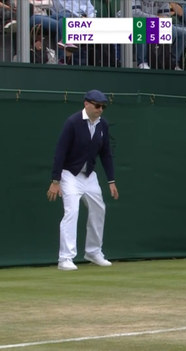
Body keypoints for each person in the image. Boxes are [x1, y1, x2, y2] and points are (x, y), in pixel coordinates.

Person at [47, 89, 119, 271]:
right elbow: (60, 151)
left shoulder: (103, 125)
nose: (100, 109)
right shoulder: (72, 122)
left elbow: (106, 154)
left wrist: (111, 180)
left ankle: (93, 252)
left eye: (103, 106)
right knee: (72, 211)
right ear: (86, 104)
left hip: (89, 176)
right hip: (68, 174)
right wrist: (55, 181)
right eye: (97, 106)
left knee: (99, 208)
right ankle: (65, 258)